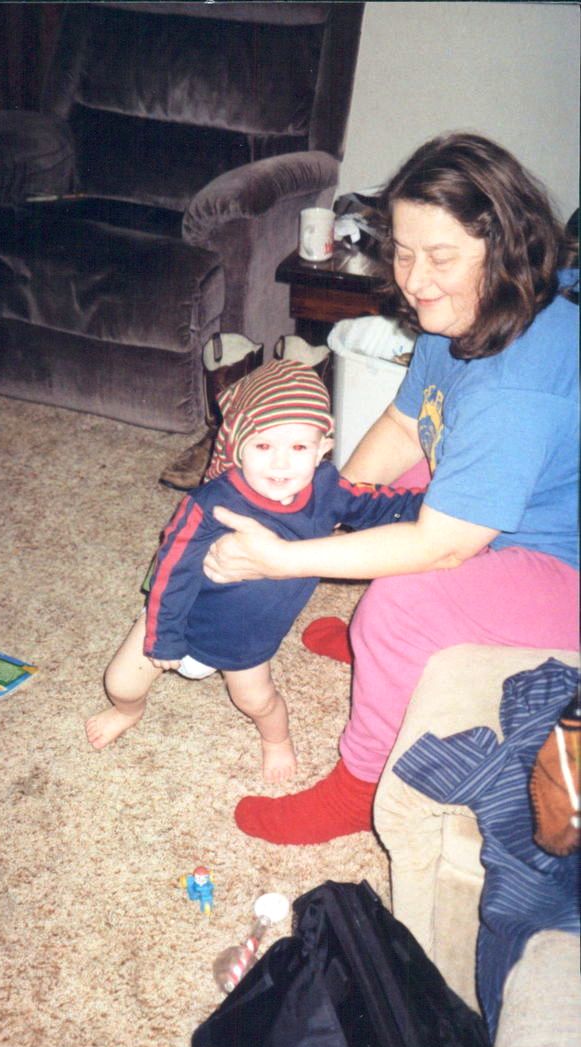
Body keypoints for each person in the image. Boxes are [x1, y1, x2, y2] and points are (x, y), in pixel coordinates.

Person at [201, 132, 580, 844]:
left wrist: (285, 557)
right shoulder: (459, 310)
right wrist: (319, 504)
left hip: (566, 574)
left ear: (505, 248)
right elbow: (409, 425)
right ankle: (393, 658)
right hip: (519, 503)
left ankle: (362, 785)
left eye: (440, 256)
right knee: (397, 491)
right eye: (403, 252)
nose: (415, 279)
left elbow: (440, 547)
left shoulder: (516, 387)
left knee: (400, 607)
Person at [85, 359, 424, 781]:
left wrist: (437, 506)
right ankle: (126, 712)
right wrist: (164, 636)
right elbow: (172, 573)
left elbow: (383, 504)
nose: (281, 464)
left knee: (258, 702)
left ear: (323, 447)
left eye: (298, 448)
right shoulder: (211, 502)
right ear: (238, 446)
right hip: (181, 619)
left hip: (245, 640)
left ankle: (276, 740)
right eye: (264, 446)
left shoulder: (329, 489)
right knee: (120, 683)